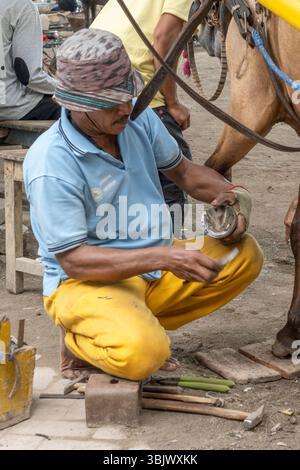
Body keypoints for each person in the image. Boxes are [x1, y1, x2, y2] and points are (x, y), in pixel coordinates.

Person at [23, 29, 263, 381]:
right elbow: (74, 260)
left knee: (244, 256)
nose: (125, 107)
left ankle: (128, 323)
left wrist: (233, 196)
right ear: (77, 105)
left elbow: (185, 173)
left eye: (127, 94)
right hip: (85, 283)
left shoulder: (136, 117)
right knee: (143, 357)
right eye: (111, 102)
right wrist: (165, 257)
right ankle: (82, 341)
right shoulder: (52, 164)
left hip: (149, 269)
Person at [91, 0, 193, 217]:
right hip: (135, 91)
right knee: (175, 178)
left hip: (93, 89)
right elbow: (163, 38)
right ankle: (170, 243)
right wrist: (173, 103)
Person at [0, 0, 60, 121]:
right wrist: (68, 90)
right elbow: (29, 76)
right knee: (75, 111)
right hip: (8, 104)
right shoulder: (22, 6)